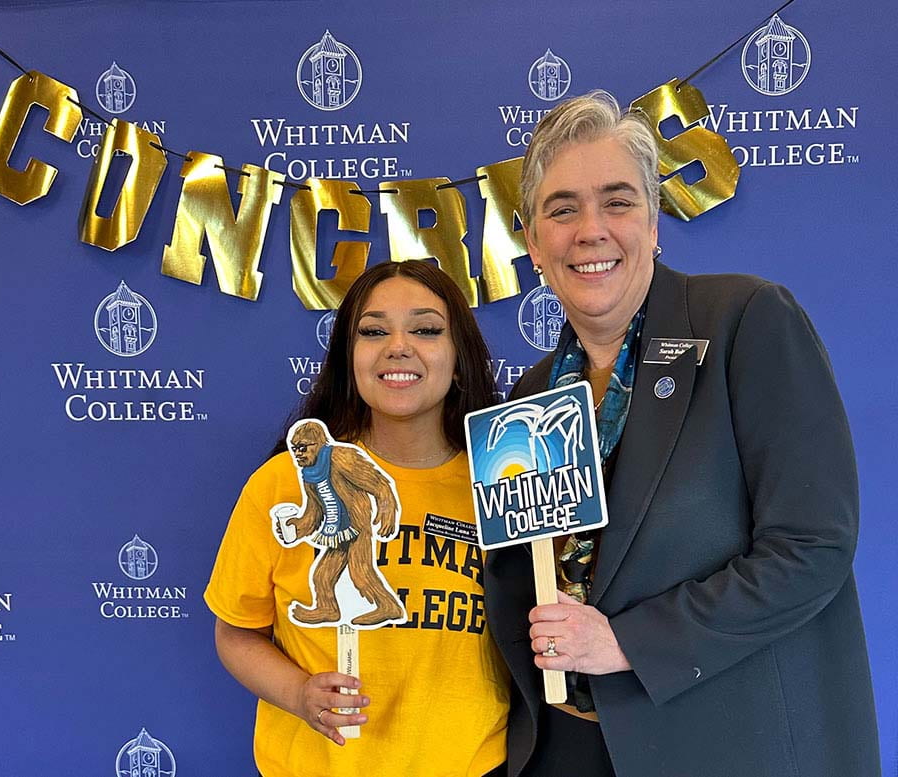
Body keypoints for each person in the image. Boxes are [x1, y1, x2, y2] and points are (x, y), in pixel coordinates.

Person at [484, 91, 880, 777]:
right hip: (566, 747)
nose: (591, 229)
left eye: (618, 201)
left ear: (656, 220)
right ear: (533, 244)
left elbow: (813, 546)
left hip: (726, 745)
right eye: (563, 208)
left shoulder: (745, 321)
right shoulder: (530, 397)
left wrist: (628, 642)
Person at [206, 260, 509, 777]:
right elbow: (235, 633)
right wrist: (299, 694)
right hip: (316, 766)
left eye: (426, 329)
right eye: (373, 331)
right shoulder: (278, 482)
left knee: (363, 576)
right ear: (349, 359)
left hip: (475, 766)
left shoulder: (502, 483)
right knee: (330, 578)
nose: (398, 345)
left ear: (459, 360)